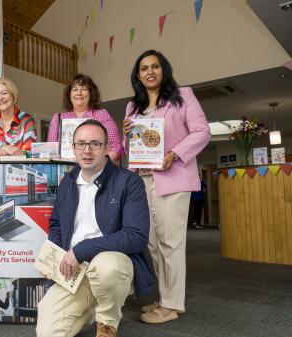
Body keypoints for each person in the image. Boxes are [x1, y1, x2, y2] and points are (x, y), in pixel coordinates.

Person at [36, 120, 152, 337]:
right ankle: (92, 307)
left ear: (107, 148)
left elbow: (136, 236)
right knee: (47, 332)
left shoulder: (129, 181)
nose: (87, 150)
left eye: (95, 144)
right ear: (73, 148)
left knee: (106, 267)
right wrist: (52, 256)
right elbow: (56, 224)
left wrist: (80, 250)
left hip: (112, 264)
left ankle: (107, 323)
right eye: (81, 144)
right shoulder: (67, 182)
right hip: (75, 271)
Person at [122, 49, 210, 324]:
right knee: (151, 243)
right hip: (142, 180)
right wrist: (127, 135)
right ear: (138, 75)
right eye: (144, 68)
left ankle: (172, 304)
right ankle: (165, 297)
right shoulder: (132, 107)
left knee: (170, 243)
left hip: (173, 177)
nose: (150, 72)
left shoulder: (183, 96)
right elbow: (132, 149)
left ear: (163, 70)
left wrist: (174, 154)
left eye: (155, 66)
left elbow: (202, 132)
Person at [47, 74, 123, 161]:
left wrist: (100, 167)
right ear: (69, 95)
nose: (79, 93)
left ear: (91, 94)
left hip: (96, 171)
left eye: (83, 89)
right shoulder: (58, 118)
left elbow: (116, 147)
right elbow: (51, 151)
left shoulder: (101, 115)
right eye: (75, 89)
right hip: (65, 170)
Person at [0, 78, 36, 159]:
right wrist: (4, 149)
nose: (0, 98)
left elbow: (29, 154)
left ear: (13, 95)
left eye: (4, 93)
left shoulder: (27, 120)